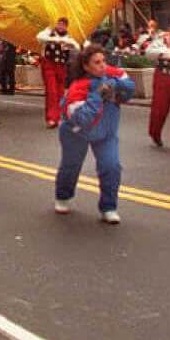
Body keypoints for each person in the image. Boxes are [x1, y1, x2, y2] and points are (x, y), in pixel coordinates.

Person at [53, 44, 135, 224]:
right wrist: (97, 95)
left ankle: (109, 207)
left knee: (111, 166)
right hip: (76, 133)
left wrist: (117, 85)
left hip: (106, 132)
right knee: (71, 166)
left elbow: (129, 88)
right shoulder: (78, 88)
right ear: (86, 66)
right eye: (97, 62)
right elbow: (82, 118)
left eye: (104, 61)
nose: (102, 65)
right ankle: (63, 196)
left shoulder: (112, 75)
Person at [36, 18, 79, 129]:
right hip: (49, 64)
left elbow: (77, 46)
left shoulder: (68, 37)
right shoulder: (49, 32)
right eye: (59, 24)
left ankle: (58, 118)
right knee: (52, 91)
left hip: (61, 67)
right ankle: (51, 118)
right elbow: (39, 37)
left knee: (60, 93)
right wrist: (55, 39)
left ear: (66, 26)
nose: (61, 26)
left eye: (63, 24)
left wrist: (67, 42)